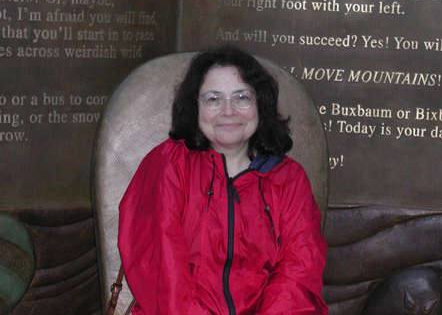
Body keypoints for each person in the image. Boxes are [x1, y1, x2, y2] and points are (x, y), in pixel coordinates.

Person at [118, 45, 328, 315]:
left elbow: (299, 270)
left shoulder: (289, 179)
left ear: (259, 105)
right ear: (196, 108)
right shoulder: (169, 165)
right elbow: (163, 268)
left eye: (241, 97)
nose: (228, 111)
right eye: (213, 99)